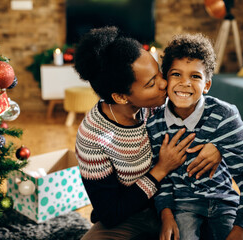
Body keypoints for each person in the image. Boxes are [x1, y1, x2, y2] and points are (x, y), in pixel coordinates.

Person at [73, 26, 223, 240]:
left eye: (159, 72)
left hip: (183, 202)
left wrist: (218, 147)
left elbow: (213, 115)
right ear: (121, 97)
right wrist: (161, 169)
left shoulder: (161, 104)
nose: (165, 83)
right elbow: (110, 214)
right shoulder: (93, 137)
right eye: (151, 83)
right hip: (131, 214)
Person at [146, 33, 243, 240]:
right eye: (176, 74)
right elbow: (161, 178)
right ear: (165, 79)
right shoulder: (155, 123)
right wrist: (166, 215)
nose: (185, 83)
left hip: (224, 200)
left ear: (207, 85)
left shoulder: (225, 115)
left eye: (195, 76)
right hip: (182, 205)